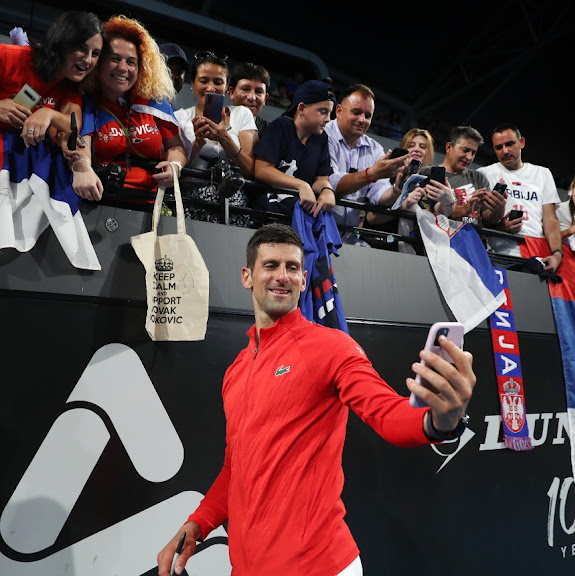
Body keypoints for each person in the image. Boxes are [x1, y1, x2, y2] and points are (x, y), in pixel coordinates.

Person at [155, 223, 476, 576]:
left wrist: (439, 421)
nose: (283, 276)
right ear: (247, 276)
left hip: (318, 567)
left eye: (292, 267)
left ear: (304, 280)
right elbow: (235, 469)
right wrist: (198, 524)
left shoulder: (331, 347)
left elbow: (386, 412)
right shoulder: (236, 371)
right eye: (271, 265)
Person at [67, 15, 186, 202]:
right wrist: (83, 167)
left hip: (151, 205)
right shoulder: (87, 102)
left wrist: (175, 166)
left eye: (131, 62)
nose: (123, 68)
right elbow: (82, 144)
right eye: (115, 59)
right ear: (98, 63)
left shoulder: (155, 104)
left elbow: (176, 146)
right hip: (99, 203)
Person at [175, 51, 258, 223]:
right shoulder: (180, 117)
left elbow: (249, 170)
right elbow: (176, 172)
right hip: (191, 201)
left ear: (227, 87)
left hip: (234, 202)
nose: (211, 88)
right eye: (204, 81)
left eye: (218, 82)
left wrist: (224, 138)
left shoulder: (242, 114)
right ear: (192, 84)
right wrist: (197, 143)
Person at [0, 11, 102, 149]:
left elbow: (74, 124)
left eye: (95, 54)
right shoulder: (9, 56)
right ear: (63, 43)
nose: (88, 60)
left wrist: (50, 114)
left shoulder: (70, 84)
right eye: (81, 49)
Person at [324, 84, 409, 243]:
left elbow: (378, 194)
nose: (362, 120)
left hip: (349, 239)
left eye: (368, 115)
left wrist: (397, 190)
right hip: (317, 232)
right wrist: (373, 173)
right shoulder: (323, 134)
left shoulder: (375, 148)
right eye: (356, 112)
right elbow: (332, 184)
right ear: (339, 111)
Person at [477, 123, 563, 271]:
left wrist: (557, 254)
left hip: (537, 252)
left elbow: (550, 219)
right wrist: (500, 228)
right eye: (499, 147)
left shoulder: (542, 174)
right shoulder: (483, 174)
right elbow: (478, 219)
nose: (505, 151)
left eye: (510, 144)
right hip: (499, 254)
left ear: (521, 142)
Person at [251, 79, 337, 217]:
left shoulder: (322, 139)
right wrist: (301, 185)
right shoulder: (281, 126)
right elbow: (262, 170)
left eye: (330, 113)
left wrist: (327, 190)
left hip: (297, 214)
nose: (328, 119)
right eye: (323, 112)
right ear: (301, 108)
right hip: (269, 212)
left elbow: (321, 179)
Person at [417, 125, 507, 227]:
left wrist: (498, 209)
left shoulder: (478, 178)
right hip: (441, 239)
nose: (469, 157)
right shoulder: (428, 173)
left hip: (471, 240)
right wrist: (466, 208)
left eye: (473, 153)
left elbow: (488, 219)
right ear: (449, 147)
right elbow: (430, 214)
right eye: (465, 150)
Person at [363, 127, 436, 252]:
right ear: (403, 149)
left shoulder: (430, 185)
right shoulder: (388, 177)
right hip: (384, 248)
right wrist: (403, 206)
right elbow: (371, 218)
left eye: (422, 147)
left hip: (418, 254)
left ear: (428, 153)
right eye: (411, 145)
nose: (417, 149)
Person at [228, 62, 271, 138]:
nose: (252, 97)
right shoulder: (214, 122)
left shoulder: (271, 132)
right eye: (245, 89)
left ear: (265, 99)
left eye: (258, 92)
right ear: (232, 92)